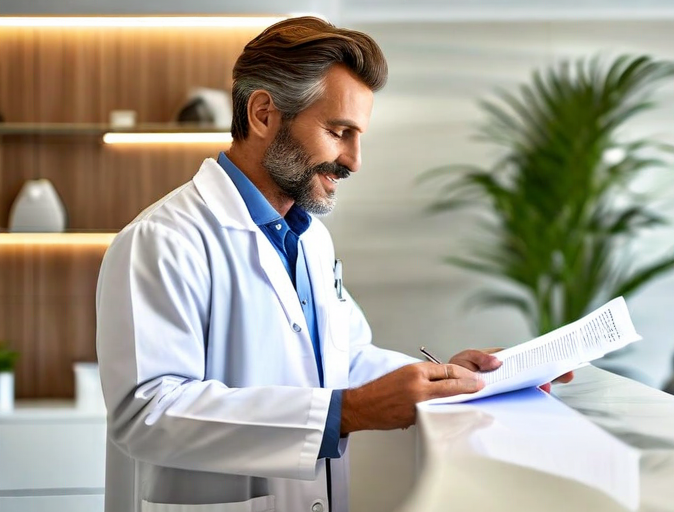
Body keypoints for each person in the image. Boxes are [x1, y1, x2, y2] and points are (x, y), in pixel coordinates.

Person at [95, 16, 570, 512]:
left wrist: (449, 378)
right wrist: (346, 413)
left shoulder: (311, 240)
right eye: (339, 131)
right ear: (263, 114)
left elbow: (348, 357)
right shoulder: (162, 241)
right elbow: (146, 413)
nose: (355, 160)